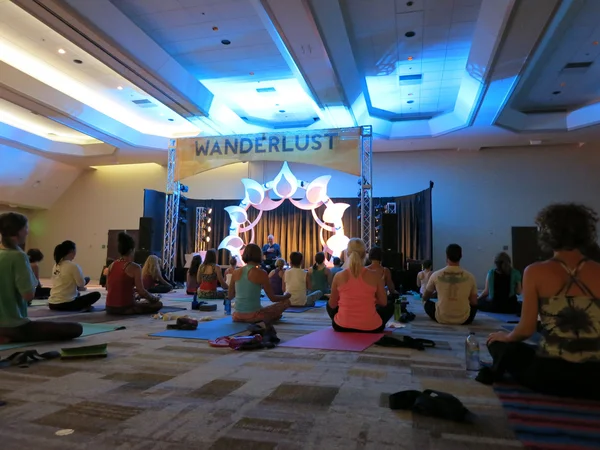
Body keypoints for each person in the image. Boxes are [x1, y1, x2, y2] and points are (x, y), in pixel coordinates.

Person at [485, 203, 600, 399]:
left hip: (550, 375)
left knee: (497, 343)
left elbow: (526, 330)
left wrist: (505, 336)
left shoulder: (535, 271)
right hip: (595, 379)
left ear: (547, 233)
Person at [0, 212, 82, 343]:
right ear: (19, 231)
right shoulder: (18, 257)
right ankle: (8, 336)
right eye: (26, 228)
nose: (27, 232)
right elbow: (28, 295)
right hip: (14, 325)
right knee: (76, 328)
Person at [327, 238, 394, 332]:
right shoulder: (375, 276)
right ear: (364, 255)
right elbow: (383, 302)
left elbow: (332, 304)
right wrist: (371, 300)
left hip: (342, 326)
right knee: (390, 306)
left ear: (347, 254)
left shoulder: (338, 276)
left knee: (328, 304)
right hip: (372, 328)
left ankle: (344, 319)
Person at [229, 244, 291, 323]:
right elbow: (273, 298)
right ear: (259, 255)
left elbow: (230, 296)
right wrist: (286, 296)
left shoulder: (235, 272)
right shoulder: (262, 273)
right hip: (255, 315)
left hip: (237, 316)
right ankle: (268, 317)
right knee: (286, 302)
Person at [105, 232, 163, 315]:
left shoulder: (111, 265)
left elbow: (108, 287)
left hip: (109, 307)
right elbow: (141, 291)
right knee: (158, 305)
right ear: (132, 250)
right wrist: (154, 298)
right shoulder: (135, 267)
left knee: (141, 301)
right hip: (124, 308)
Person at [422, 244, 478, 325]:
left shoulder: (436, 275)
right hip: (465, 319)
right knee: (475, 306)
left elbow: (425, 296)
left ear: (446, 256)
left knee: (426, 303)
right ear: (461, 256)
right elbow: (474, 302)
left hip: (441, 317)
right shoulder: (470, 277)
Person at [48, 241, 101, 311]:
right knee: (96, 294)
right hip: (66, 304)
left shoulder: (56, 265)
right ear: (72, 251)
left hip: (52, 304)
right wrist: (85, 281)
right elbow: (81, 284)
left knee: (77, 293)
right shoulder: (73, 266)